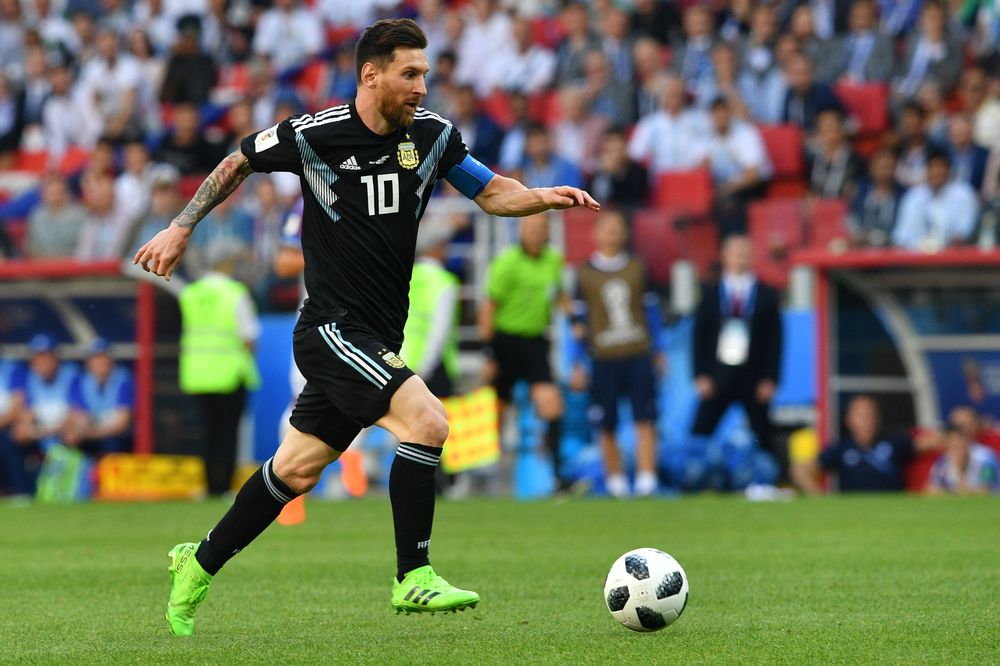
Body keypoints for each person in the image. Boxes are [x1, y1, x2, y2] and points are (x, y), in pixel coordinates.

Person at [133, 18, 599, 633]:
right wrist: (181, 226)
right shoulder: (314, 134)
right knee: (429, 421)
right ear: (370, 74)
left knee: (295, 469)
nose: (422, 87)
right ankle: (413, 576)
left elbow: (491, 194)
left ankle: (198, 562)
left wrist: (543, 196)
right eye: (410, 74)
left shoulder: (431, 136)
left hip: (378, 334)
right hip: (331, 327)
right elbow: (238, 160)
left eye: (426, 75)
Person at [570, 209, 663, 497]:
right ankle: (616, 483)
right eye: (606, 228)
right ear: (595, 233)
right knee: (605, 422)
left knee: (644, 418)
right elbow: (578, 324)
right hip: (603, 357)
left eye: (617, 227)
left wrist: (658, 349)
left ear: (624, 233)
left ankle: (647, 480)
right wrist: (576, 362)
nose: (612, 233)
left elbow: (652, 312)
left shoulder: (637, 267)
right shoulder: (584, 274)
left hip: (637, 354)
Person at [479, 213, 570, 491]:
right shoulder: (507, 263)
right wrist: (489, 353)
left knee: (551, 404)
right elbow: (489, 308)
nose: (534, 232)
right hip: (506, 343)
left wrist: (575, 322)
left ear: (546, 232)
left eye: (540, 228)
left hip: (535, 342)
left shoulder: (553, 260)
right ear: (521, 230)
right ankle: (484, 470)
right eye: (530, 227)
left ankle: (557, 474)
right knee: (497, 408)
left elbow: (560, 295)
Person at [691, 235, 782, 469]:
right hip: (717, 373)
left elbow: (775, 340)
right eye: (735, 251)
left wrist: (770, 378)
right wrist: (700, 374)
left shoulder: (766, 295)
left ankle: (765, 479)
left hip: (754, 374)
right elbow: (699, 337)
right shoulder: (710, 293)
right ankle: (693, 475)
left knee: (761, 430)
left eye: (745, 251)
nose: (740, 257)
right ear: (724, 256)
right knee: (701, 429)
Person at [177, 252, 261, 498]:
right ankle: (224, 487)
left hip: (198, 373)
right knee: (228, 433)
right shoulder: (235, 292)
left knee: (207, 431)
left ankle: (209, 486)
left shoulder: (191, 293)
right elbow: (249, 336)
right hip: (229, 373)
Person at [792, 395, 941, 493]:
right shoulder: (841, 448)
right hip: (852, 511)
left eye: (871, 415)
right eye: (861, 416)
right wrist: (820, 499)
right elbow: (800, 470)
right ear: (849, 420)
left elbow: (934, 442)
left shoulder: (895, 441)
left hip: (894, 508)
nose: (867, 421)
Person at [11, 334, 80, 495]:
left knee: (72, 437)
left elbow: (76, 414)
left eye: (46, 357)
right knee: (14, 439)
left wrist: (47, 430)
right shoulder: (31, 378)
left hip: (62, 433)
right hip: (42, 433)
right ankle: (24, 493)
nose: (42, 362)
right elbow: (26, 413)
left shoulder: (70, 376)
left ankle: (72, 490)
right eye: (38, 357)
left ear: (55, 358)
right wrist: (28, 428)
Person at [892, 150, 979, 251]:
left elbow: (964, 232)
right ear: (926, 170)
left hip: (951, 257)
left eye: (940, 167)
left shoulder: (964, 194)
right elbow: (901, 236)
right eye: (932, 167)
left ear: (949, 170)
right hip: (914, 258)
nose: (936, 172)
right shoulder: (913, 196)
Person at [66, 339, 134, 456]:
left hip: (115, 439)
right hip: (90, 436)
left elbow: (122, 424)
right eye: (96, 358)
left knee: (112, 444)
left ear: (111, 361)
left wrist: (92, 433)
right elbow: (77, 416)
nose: (101, 363)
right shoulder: (81, 382)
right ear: (89, 363)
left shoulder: (123, 380)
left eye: (104, 357)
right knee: (69, 443)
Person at [927, 408, 999, 495]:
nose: (956, 444)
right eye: (952, 441)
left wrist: (951, 492)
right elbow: (931, 490)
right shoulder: (943, 460)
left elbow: (984, 491)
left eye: (959, 440)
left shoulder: (986, 458)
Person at [0, 355, 27, 496]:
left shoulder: (11, 370)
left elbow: (17, 407)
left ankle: (19, 490)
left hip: (7, 427)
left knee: (9, 439)